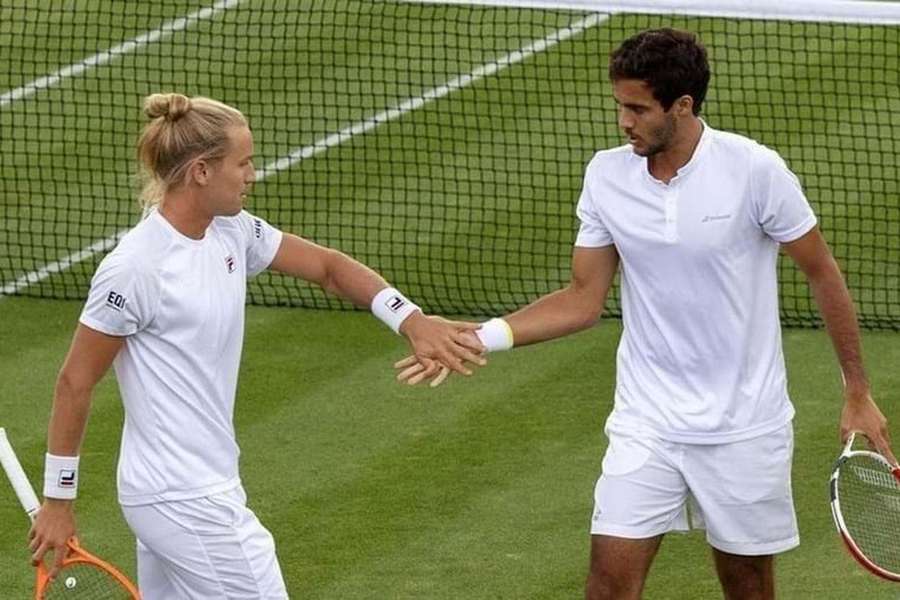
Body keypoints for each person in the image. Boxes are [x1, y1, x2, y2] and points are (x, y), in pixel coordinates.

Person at [396, 28, 896, 599]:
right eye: (619, 106)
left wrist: (856, 389)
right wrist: (482, 336)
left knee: (748, 586)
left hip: (744, 427)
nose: (624, 122)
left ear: (681, 106)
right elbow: (583, 299)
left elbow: (823, 273)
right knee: (606, 585)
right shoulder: (607, 175)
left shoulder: (755, 170)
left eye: (637, 109)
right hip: (647, 421)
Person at [28, 93, 485, 598]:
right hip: (184, 497)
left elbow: (329, 268)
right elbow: (75, 380)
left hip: (183, 489)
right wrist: (58, 501)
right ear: (201, 172)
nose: (252, 174)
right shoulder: (136, 268)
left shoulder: (231, 231)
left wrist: (411, 320)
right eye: (243, 163)